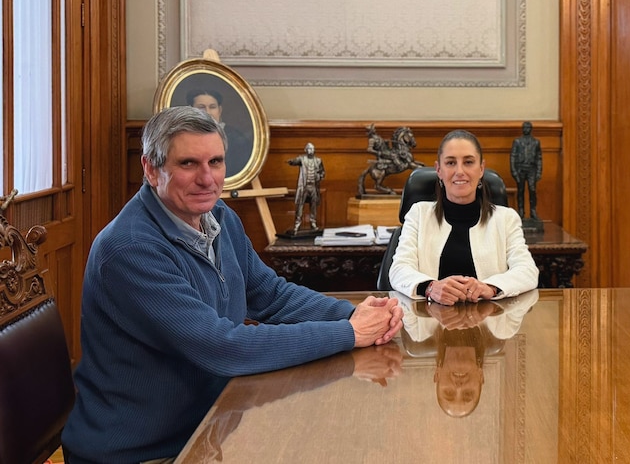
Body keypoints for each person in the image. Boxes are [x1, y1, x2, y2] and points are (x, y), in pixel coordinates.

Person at [61, 106, 404, 463]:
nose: (207, 179)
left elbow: (271, 296)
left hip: (208, 427)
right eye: (188, 164)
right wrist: (349, 333)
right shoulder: (130, 249)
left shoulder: (219, 217)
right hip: (143, 452)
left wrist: (355, 314)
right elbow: (223, 347)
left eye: (216, 162)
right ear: (150, 169)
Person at [389, 129, 539, 304]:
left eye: (468, 162)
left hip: (490, 323)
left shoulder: (505, 218)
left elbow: (527, 270)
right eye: (451, 163)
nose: (459, 171)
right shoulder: (419, 214)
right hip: (429, 322)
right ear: (439, 170)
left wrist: (490, 287)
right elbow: (399, 269)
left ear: (481, 168)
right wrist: (431, 287)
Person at [395, 290, 538, 417]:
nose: (458, 386)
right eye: (468, 394)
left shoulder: (418, 330)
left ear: (437, 375)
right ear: (481, 376)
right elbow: (522, 294)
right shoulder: (499, 327)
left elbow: (401, 293)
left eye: (449, 393)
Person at [186, 88, 254, 177]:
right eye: (201, 107)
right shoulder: (184, 137)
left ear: (220, 110)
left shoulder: (236, 138)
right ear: (191, 110)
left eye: (212, 107)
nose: (208, 112)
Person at [288, 142, 325, 233]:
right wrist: (291, 161)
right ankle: (297, 224)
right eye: (308, 148)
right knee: (300, 205)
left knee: (313, 205)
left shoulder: (318, 161)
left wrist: (319, 177)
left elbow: (323, 173)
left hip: (313, 187)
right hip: (304, 186)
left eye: (312, 148)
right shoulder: (302, 159)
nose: (310, 150)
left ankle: (313, 223)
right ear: (305, 150)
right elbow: (295, 161)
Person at [510, 121, 542, 222]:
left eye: (528, 127)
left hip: (531, 169)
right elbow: (513, 156)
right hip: (520, 168)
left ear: (531, 129)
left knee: (532, 190)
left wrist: (539, 171)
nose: (526, 129)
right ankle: (521, 211)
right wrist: (513, 171)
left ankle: (533, 211)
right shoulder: (517, 141)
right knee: (520, 191)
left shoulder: (536, 142)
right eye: (524, 127)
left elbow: (539, 158)